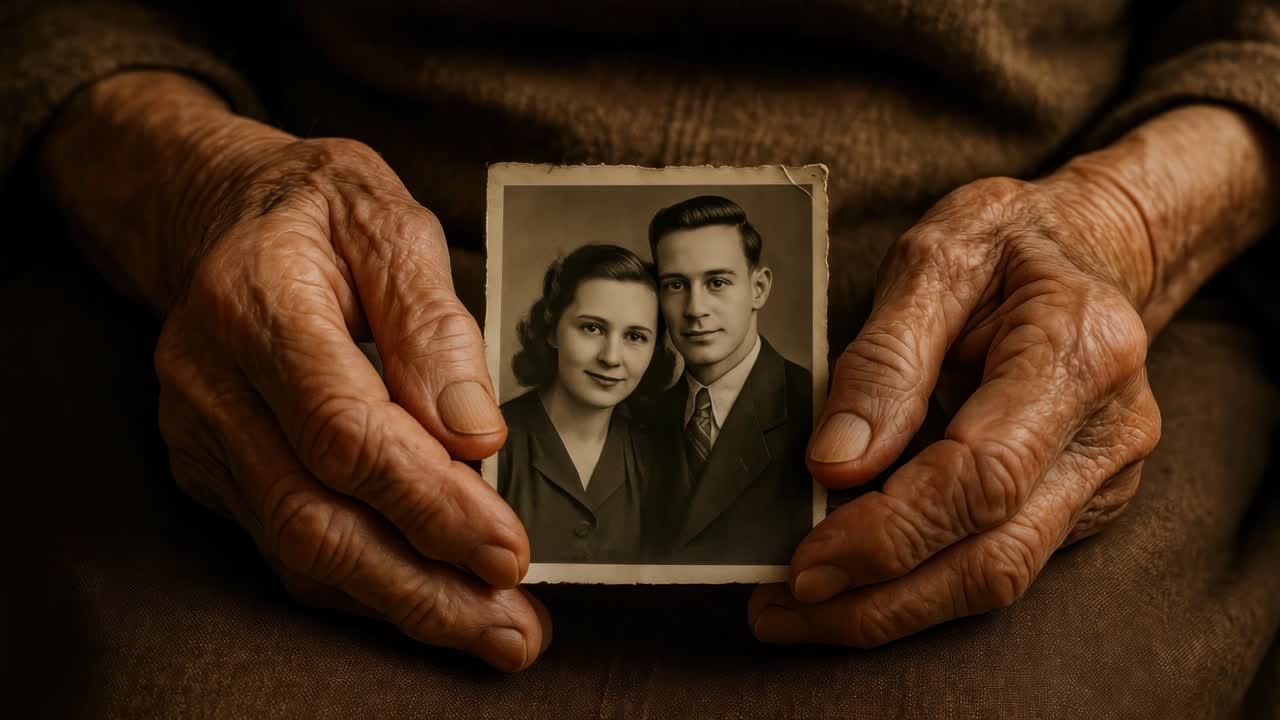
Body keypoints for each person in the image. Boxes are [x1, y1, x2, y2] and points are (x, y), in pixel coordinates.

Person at [8, 2, 1280, 715]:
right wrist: (190, 188)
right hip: (313, 316)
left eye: (704, 294)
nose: (665, 330)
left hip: (1019, 320)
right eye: (644, 306)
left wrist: (1126, 222)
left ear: (756, 289)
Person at [646, 195, 813, 565]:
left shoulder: (813, 406)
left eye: (717, 282)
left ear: (759, 288)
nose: (695, 309)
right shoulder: (641, 420)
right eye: (675, 285)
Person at [497, 244, 675, 564]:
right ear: (552, 330)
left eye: (635, 336)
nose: (611, 357)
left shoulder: (657, 459)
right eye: (592, 328)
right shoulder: (497, 444)